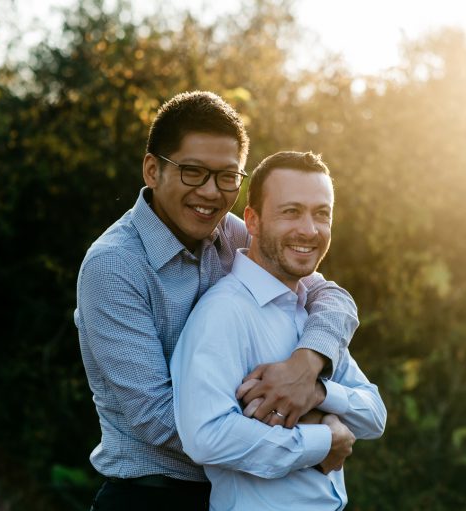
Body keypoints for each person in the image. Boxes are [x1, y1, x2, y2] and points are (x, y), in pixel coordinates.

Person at [74, 92, 359, 510]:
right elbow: (161, 418)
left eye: (227, 177)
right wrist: (305, 431)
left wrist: (308, 363)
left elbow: (331, 296)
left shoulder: (234, 234)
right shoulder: (114, 267)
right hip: (153, 496)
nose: (210, 192)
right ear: (152, 170)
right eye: (193, 172)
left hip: (241, 493)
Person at [171, 151, 387, 510]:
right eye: (291, 212)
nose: (309, 229)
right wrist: (322, 440)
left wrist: (316, 392)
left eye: (322, 214)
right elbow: (205, 436)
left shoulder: (311, 314)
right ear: (252, 221)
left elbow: (374, 415)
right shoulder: (223, 313)